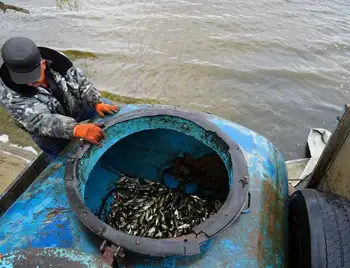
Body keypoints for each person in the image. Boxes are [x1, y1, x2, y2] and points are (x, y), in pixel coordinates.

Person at [0, 37, 119, 160]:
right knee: (64, 159)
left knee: (106, 104)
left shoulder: (58, 60)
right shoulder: (7, 92)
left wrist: (96, 101)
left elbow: (80, 81)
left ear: (43, 63)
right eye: (23, 79)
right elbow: (39, 120)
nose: (29, 83)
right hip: (47, 130)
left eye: (33, 77)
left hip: (74, 107)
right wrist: (75, 128)